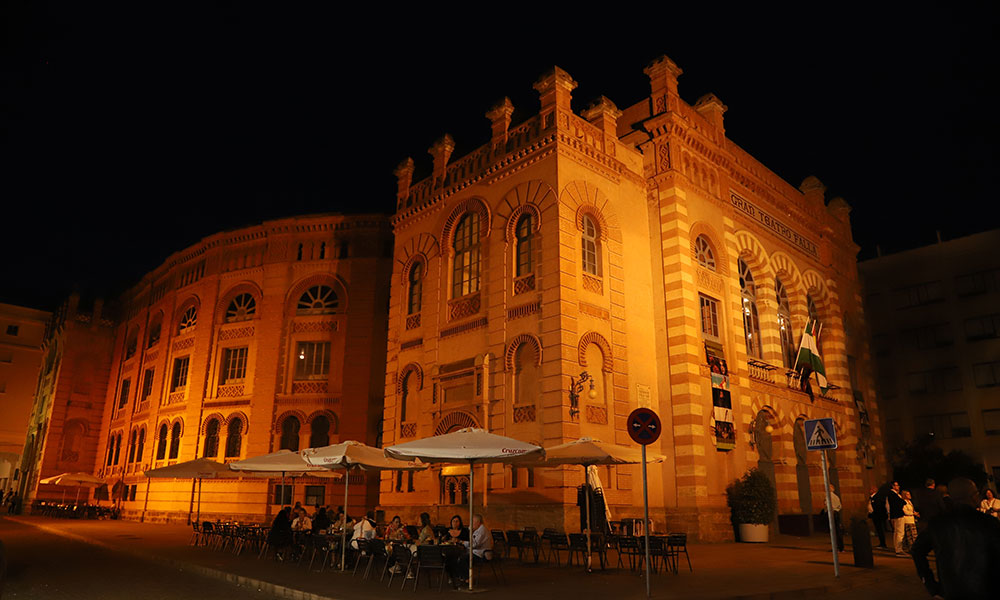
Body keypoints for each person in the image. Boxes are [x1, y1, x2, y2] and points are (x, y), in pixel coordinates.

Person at [910, 477, 1000, 599]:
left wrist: (930, 584)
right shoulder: (988, 523)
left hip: (951, 589)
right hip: (986, 588)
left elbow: (917, 550)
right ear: (974, 496)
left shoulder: (938, 523)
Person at [447, 513, 493, 587]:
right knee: (454, 558)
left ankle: (467, 579)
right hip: (474, 551)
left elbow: (474, 544)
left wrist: (461, 541)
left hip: (481, 554)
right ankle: (460, 577)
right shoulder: (477, 530)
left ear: (478, 522)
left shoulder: (482, 531)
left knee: (463, 559)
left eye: (472, 522)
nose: (470, 524)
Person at [886, 481, 906, 555]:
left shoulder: (892, 494)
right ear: (893, 486)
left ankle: (897, 547)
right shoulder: (893, 494)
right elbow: (900, 503)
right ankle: (899, 549)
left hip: (895, 514)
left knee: (896, 532)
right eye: (897, 485)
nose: (898, 487)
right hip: (898, 514)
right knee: (900, 532)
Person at [827, 484, 844, 552]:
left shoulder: (829, 496)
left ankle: (836, 547)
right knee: (837, 530)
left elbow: (827, 505)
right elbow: (840, 506)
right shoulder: (836, 497)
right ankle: (840, 547)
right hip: (836, 513)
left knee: (833, 531)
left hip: (832, 513)